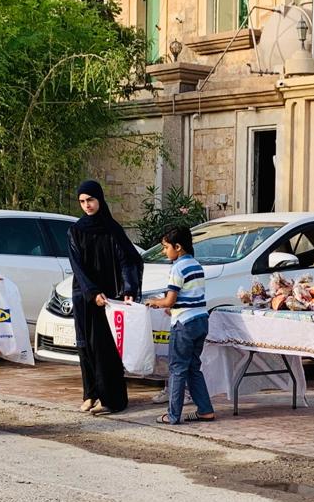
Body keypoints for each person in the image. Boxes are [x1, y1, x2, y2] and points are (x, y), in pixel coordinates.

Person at [68, 180, 143, 415]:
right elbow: (77, 266)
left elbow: (127, 260)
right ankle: (90, 394)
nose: (87, 205)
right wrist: (92, 293)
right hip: (85, 295)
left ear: (99, 199)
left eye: (90, 200)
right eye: (82, 201)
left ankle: (110, 398)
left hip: (110, 298)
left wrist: (129, 290)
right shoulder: (76, 230)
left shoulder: (112, 229)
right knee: (85, 345)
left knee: (106, 348)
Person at [145, 226, 215, 425]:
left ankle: (173, 415)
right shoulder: (196, 265)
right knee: (193, 368)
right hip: (200, 321)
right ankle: (205, 410)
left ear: (178, 247)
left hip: (183, 324)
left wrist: (155, 302)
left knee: (177, 369)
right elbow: (190, 297)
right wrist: (172, 307)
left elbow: (169, 300)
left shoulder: (177, 267)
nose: (163, 251)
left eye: (165, 247)